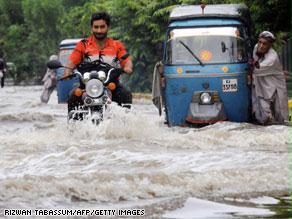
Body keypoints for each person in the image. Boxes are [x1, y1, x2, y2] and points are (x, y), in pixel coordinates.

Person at [63, 12, 133, 113]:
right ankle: (73, 127)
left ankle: (124, 125)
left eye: (102, 27)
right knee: (72, 97)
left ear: (108, 27)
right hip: (86, 87)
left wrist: (127, 67)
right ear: (91, 28)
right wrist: (67, 72)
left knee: (125, 94)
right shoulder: (83, 45)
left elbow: (127, 60)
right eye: (96, 27)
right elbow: (71, 62)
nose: (99, 30)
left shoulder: (117, 45)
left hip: (112, 86)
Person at [252, 31, 289, 125]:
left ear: (270, 45)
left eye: (264, 44)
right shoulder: (256, 47)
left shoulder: (272, 58)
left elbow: (256, 70)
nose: (261, 45)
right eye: (260, 42)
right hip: (261, 86)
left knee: (281, 118)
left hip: (275, 88)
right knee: (263, 118)